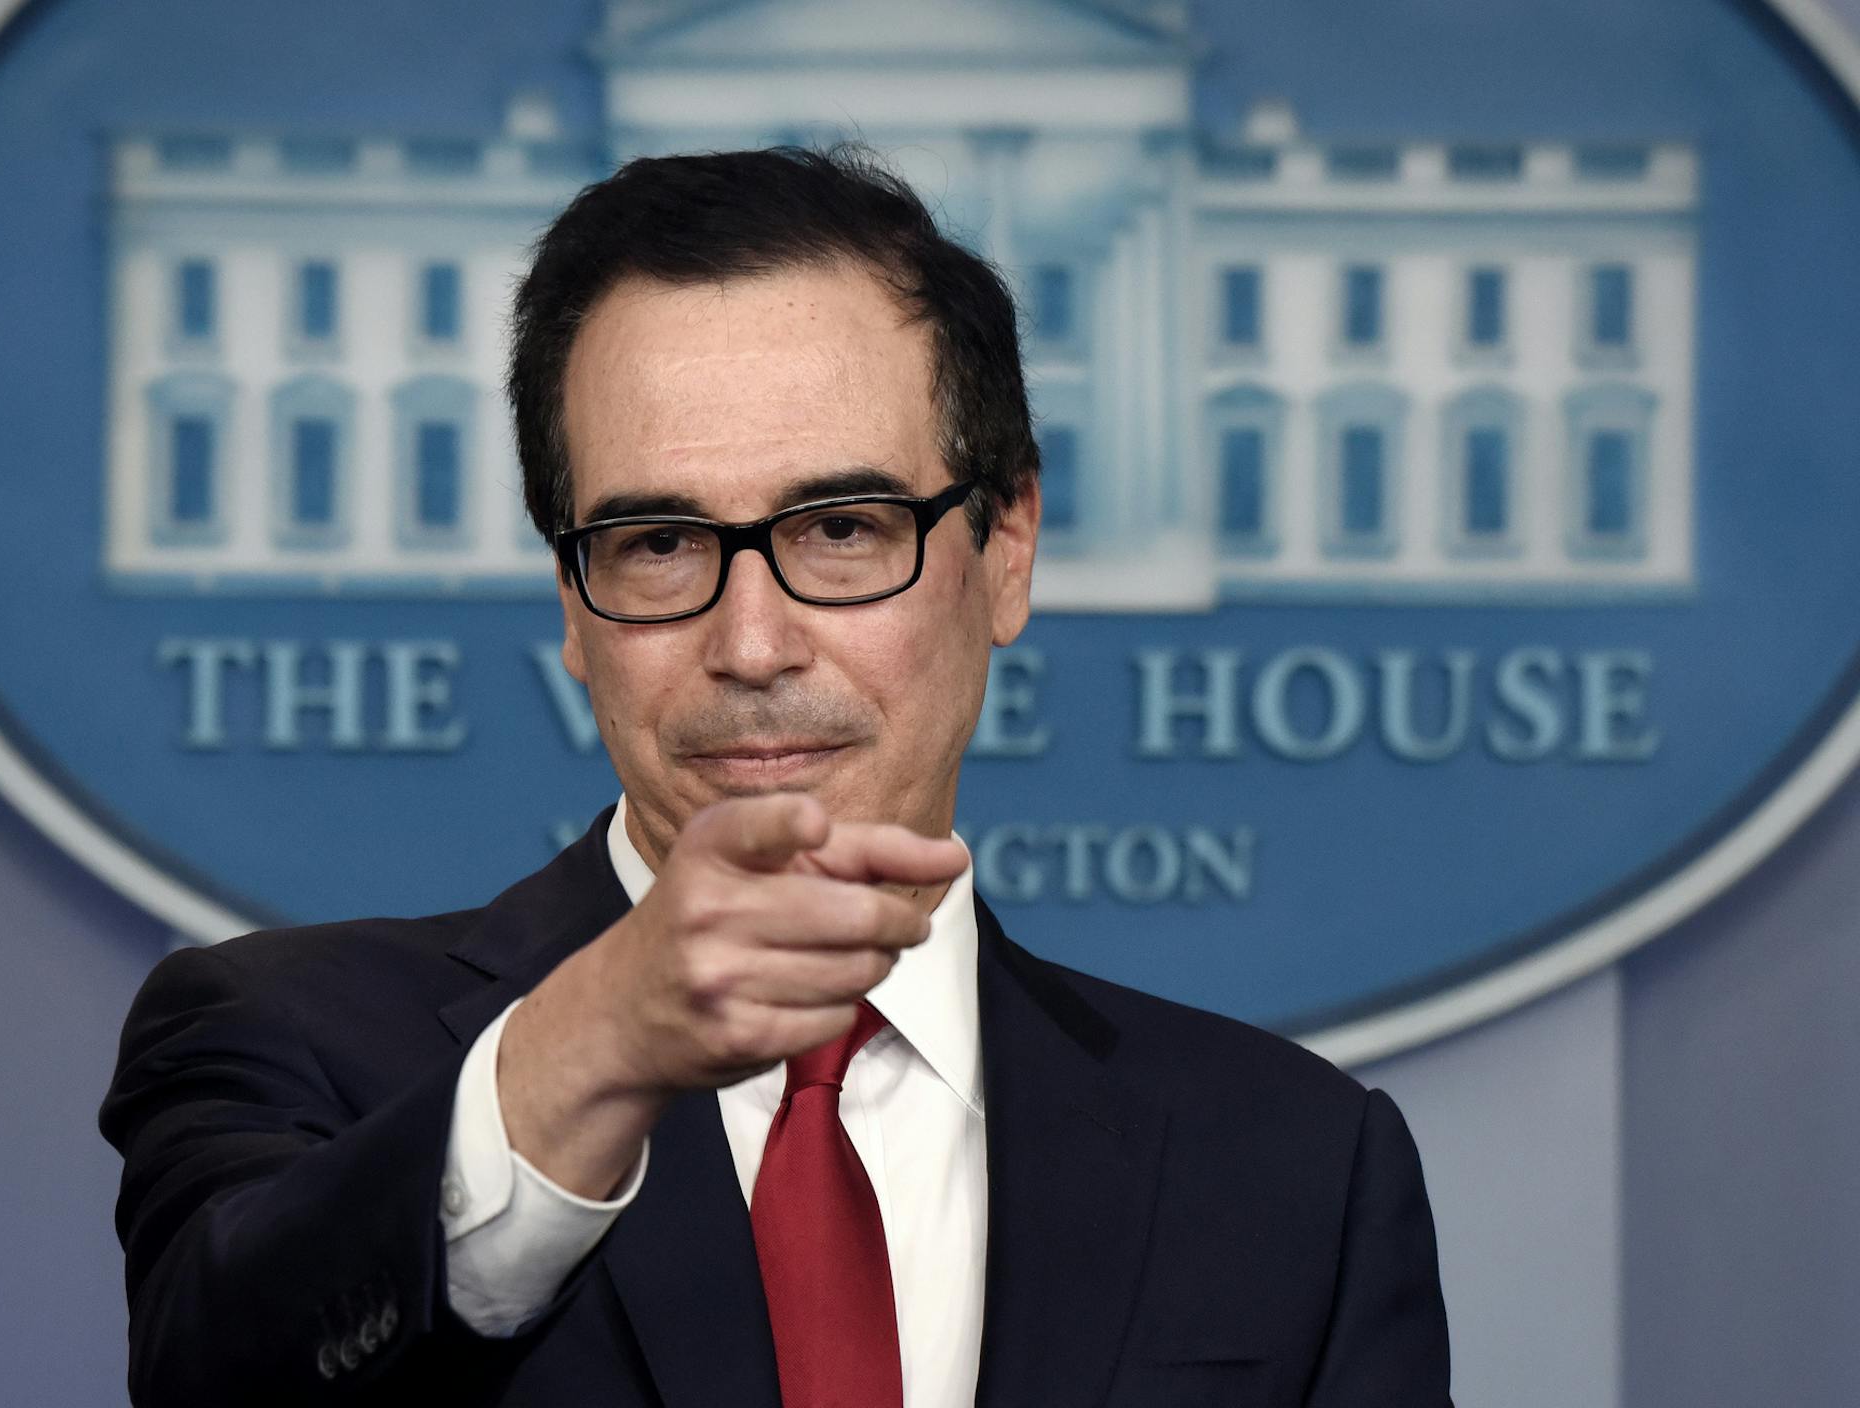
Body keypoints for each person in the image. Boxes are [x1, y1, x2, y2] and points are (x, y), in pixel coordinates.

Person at [100, 145, 1451, 1407]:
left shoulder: (1295, 1166)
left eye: (846, 528)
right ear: (570, 604)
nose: (751, 644)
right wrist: (594, 1052)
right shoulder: (288, 1046)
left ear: (1009, 547)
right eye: (657, 546)